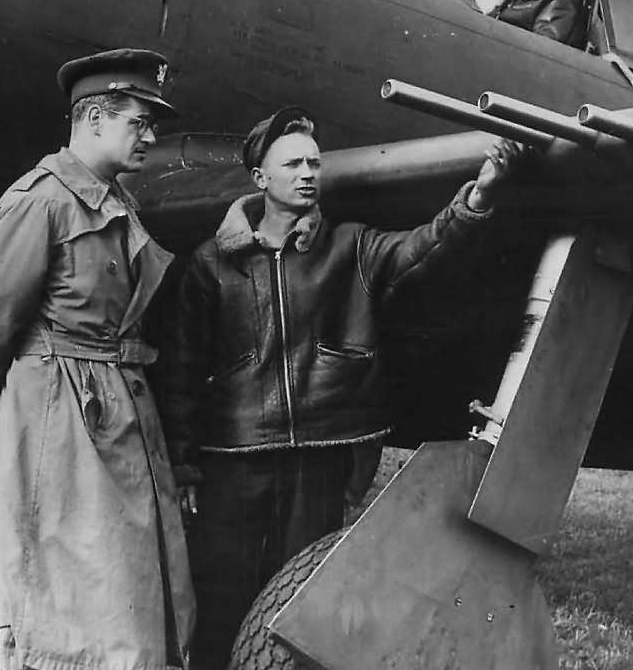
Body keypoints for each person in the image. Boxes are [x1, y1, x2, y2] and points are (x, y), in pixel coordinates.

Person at [156, 107, 523, 668]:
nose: (307, 173)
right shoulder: (211, 265)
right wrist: (183, 466)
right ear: (260, 179)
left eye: (314, 162)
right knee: (221, 604)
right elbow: (181, 372)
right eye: (292, 163)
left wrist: (474, 201)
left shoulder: (351, 247)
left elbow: (421, 249)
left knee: (304, 606)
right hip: (234, 458)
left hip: (319, 458)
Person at [0, 49, 194, 670]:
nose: (150, 136)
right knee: (66, 596)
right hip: (58, 416)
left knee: (123, 586)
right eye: (139, 122)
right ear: (92, 120)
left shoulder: (115, 202)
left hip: (113, 410)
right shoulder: (44, 201)